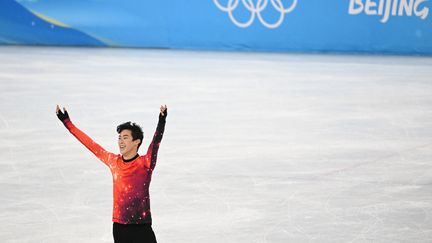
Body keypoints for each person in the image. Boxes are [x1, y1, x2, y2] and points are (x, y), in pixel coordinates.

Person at [56, 104, 167, 243]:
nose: (120, 141)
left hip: (142, 227)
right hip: (120, 228)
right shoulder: (114, 161)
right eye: (119, 138)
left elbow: (156, 142)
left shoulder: (145, 163)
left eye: (125, 137)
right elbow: (90, 144)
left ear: (136, 142)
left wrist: (162, 120)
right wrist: (67, 123)